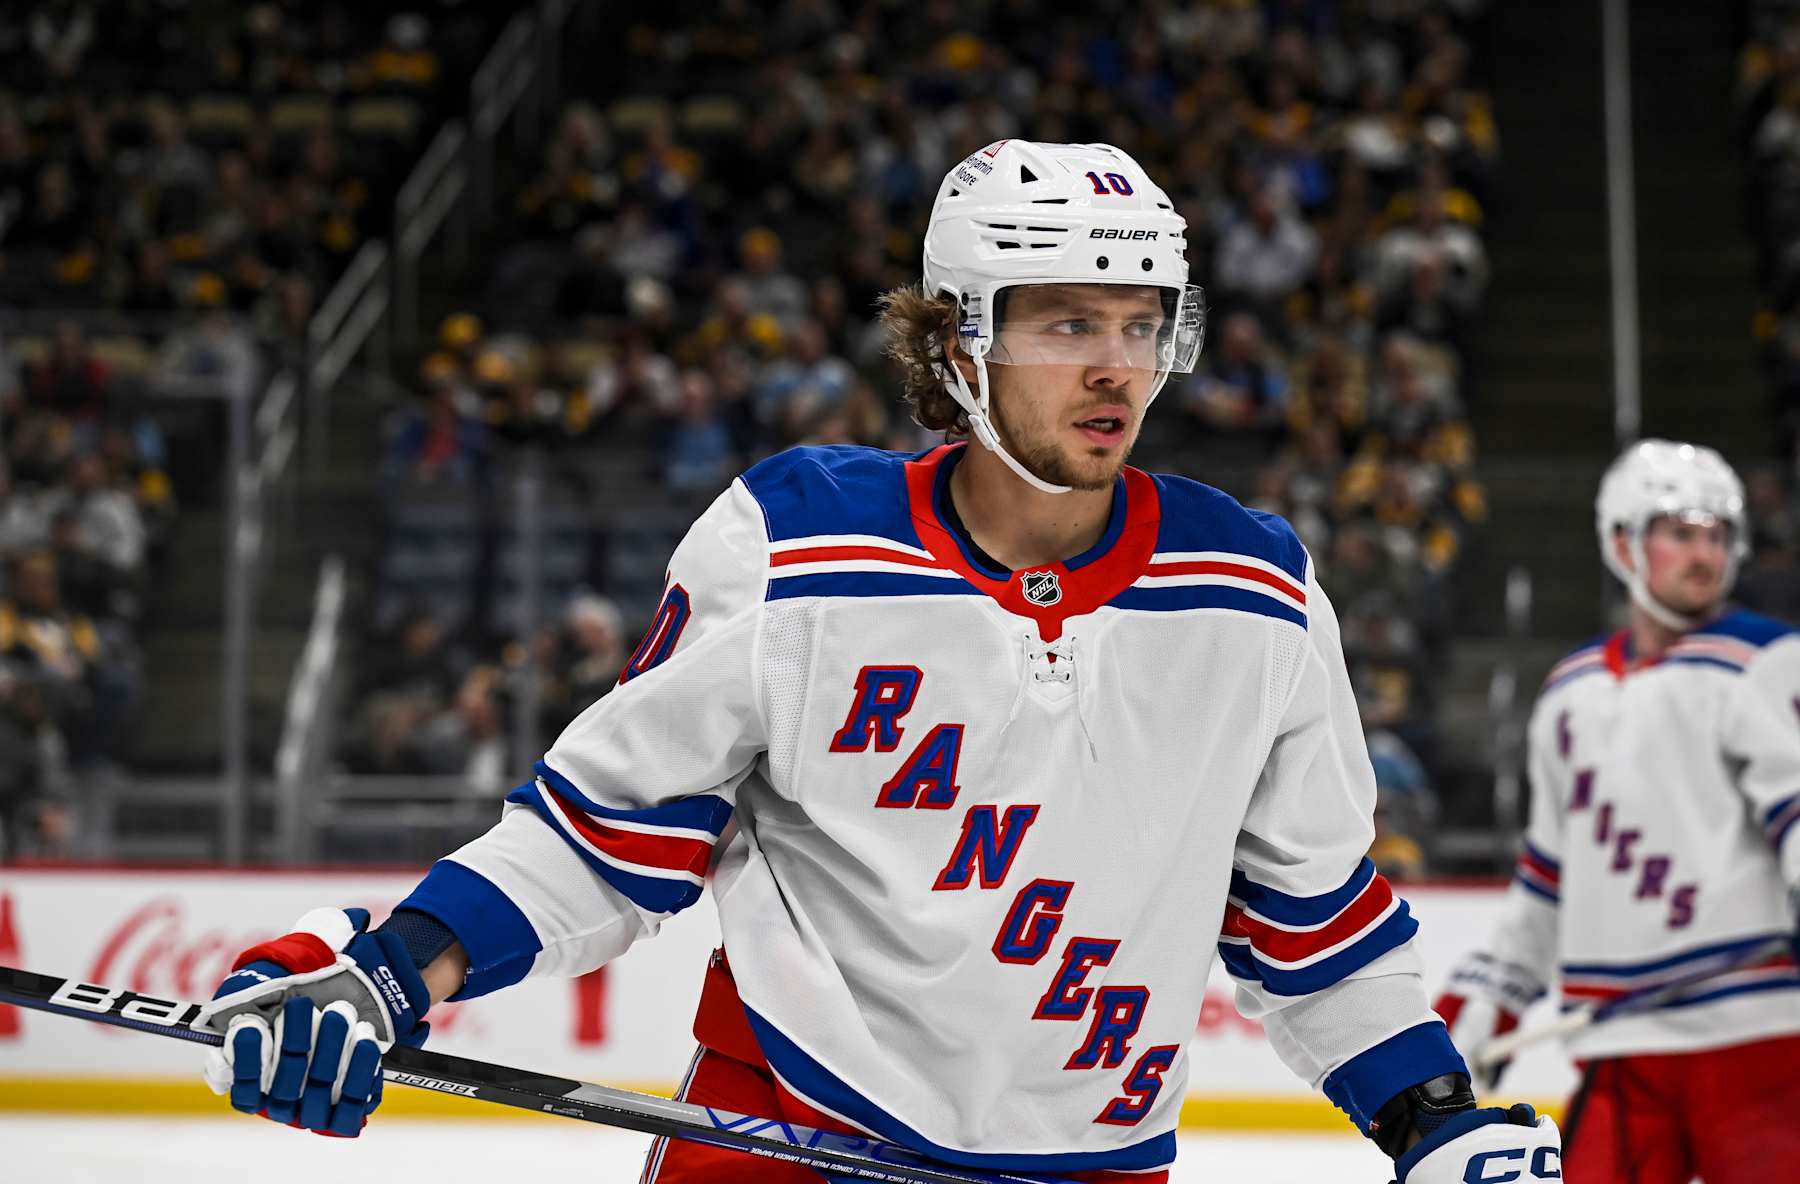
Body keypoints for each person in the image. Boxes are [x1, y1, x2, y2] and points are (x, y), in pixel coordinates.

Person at [194, 142, 1557, 1183]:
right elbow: (605, 837)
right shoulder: (800, 541)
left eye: (1141, 323)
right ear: (958, 339)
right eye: (1064, 324)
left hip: (1089, 1164)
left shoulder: (1253, 592)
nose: (1115, 370)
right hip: (784, 1142)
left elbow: (1308, 924)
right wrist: (385, 969)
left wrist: (1432, 1121)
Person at [1435, 441, 1800, 1183]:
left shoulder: (1767, 662)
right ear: (1622, 543)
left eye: (1718, 534)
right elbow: (1548, 877)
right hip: (1621, 1046)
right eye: (1681, 531)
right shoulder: (1569, 693)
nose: (1705, 553)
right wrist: (1488, 1001)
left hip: (1759, 1043)